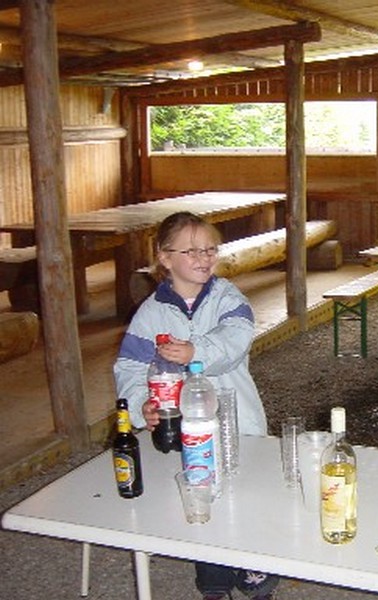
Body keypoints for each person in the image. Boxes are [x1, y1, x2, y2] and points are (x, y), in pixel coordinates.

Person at [113, 211, 277, 600]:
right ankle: (213, 578)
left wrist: (195, 351)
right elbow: (130, 369)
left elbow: (236, 339)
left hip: (238, 420)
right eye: (191, 251)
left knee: (246, 491)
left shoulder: (228, 298)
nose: (204, 258)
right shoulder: (150, 314)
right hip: (187, 428)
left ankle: (254, 564)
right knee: (199, 490)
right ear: (165, 258)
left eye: (210, 249)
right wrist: (143, 405)